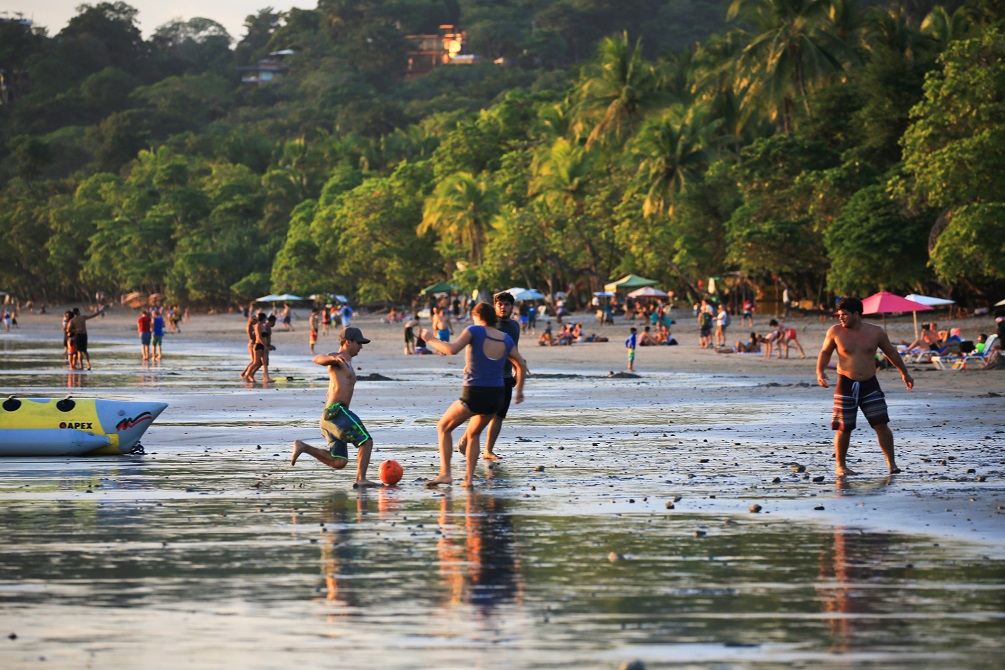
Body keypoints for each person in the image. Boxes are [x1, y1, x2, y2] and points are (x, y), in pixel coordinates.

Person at [421, 302, 527, 486]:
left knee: (443, 427)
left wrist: (430, 339)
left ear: (478, 317)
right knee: (474, 434)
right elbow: (521, 364)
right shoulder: (505, 338)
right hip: (497, 397)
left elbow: (451, 349)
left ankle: (446, 474)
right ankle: (468, 479)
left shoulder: (475, 331)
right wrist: (519, 391)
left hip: (475, 394)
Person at [816, 297, 914, 477]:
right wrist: (820, 372)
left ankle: (891, 464)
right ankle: (841, 466)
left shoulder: (876, 332)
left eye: (845, 314)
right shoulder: (835, 332)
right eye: (839, 315)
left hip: (870, 383)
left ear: (856, 314)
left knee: (881, 424)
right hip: (845, 382)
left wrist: (904, 373)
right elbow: (825, 352)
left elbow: (890, 352)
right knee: (844, 427)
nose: (841, 318)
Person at [291, 327, 379, 488]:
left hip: (329, 417)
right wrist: (334, 358)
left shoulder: (347, 362)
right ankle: (361, 479)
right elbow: (317, 359)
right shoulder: (337, 358)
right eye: (359, 343)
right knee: (366, 442)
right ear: (348, 342)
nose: (361, 347)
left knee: (339, 461)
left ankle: (303, 447)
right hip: (337, 412)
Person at [457, 291, 524, 461]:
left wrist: (516, 370)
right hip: (488, 375)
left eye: (506, 304)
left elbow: (514, 350)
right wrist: (470, 365)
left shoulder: (515, 326)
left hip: (506, 375)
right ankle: (467, 436)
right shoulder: (490, 325)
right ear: (495, 307)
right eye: (499, 304)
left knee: (499, 416)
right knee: (482, 413)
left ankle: (488, 450)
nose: (503, 307)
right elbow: (478, 344)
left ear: (512, 307)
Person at [67, 305, 105, 371]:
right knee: (84, 351)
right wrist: (99, 312)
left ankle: (82, 366)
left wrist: (76, 330)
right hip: (84, 335)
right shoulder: (82, 318)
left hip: (78, 335)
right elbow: (92, 316)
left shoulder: (72, 321)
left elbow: (68, 330)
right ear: (78, 312)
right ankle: (88, 364)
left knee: (79, 351)